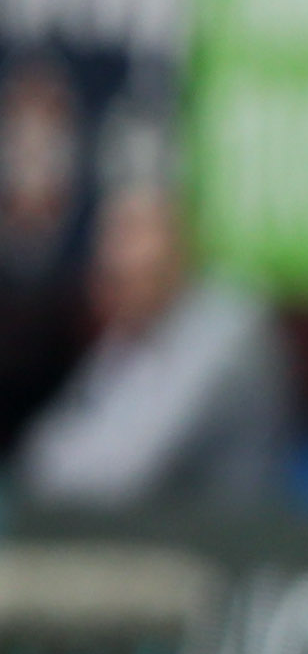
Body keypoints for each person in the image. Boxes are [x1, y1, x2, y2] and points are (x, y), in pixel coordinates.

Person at [14, 185, 291, 511]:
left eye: (133, 240)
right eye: (112, 275)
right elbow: (43, 449)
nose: (115, 268)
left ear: (178, 252)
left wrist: (51, 476)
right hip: (142, 531)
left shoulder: (231, 328)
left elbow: (128, 474)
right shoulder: (137, 323)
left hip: (225, 539)